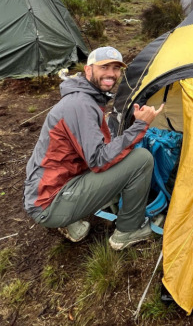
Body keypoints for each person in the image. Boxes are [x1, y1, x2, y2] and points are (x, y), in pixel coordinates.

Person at [24, 46, 164, 250]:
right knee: (141, 159)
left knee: (118, 155)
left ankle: (68, 221)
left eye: (116, 68)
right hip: (49, 203)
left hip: (44, 190)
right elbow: (99, 161)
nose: (111, 73)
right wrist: (140, 126)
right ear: (88, 70)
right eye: (104, 67)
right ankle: (128, 231)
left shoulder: (83, 98)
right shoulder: (80, 105)